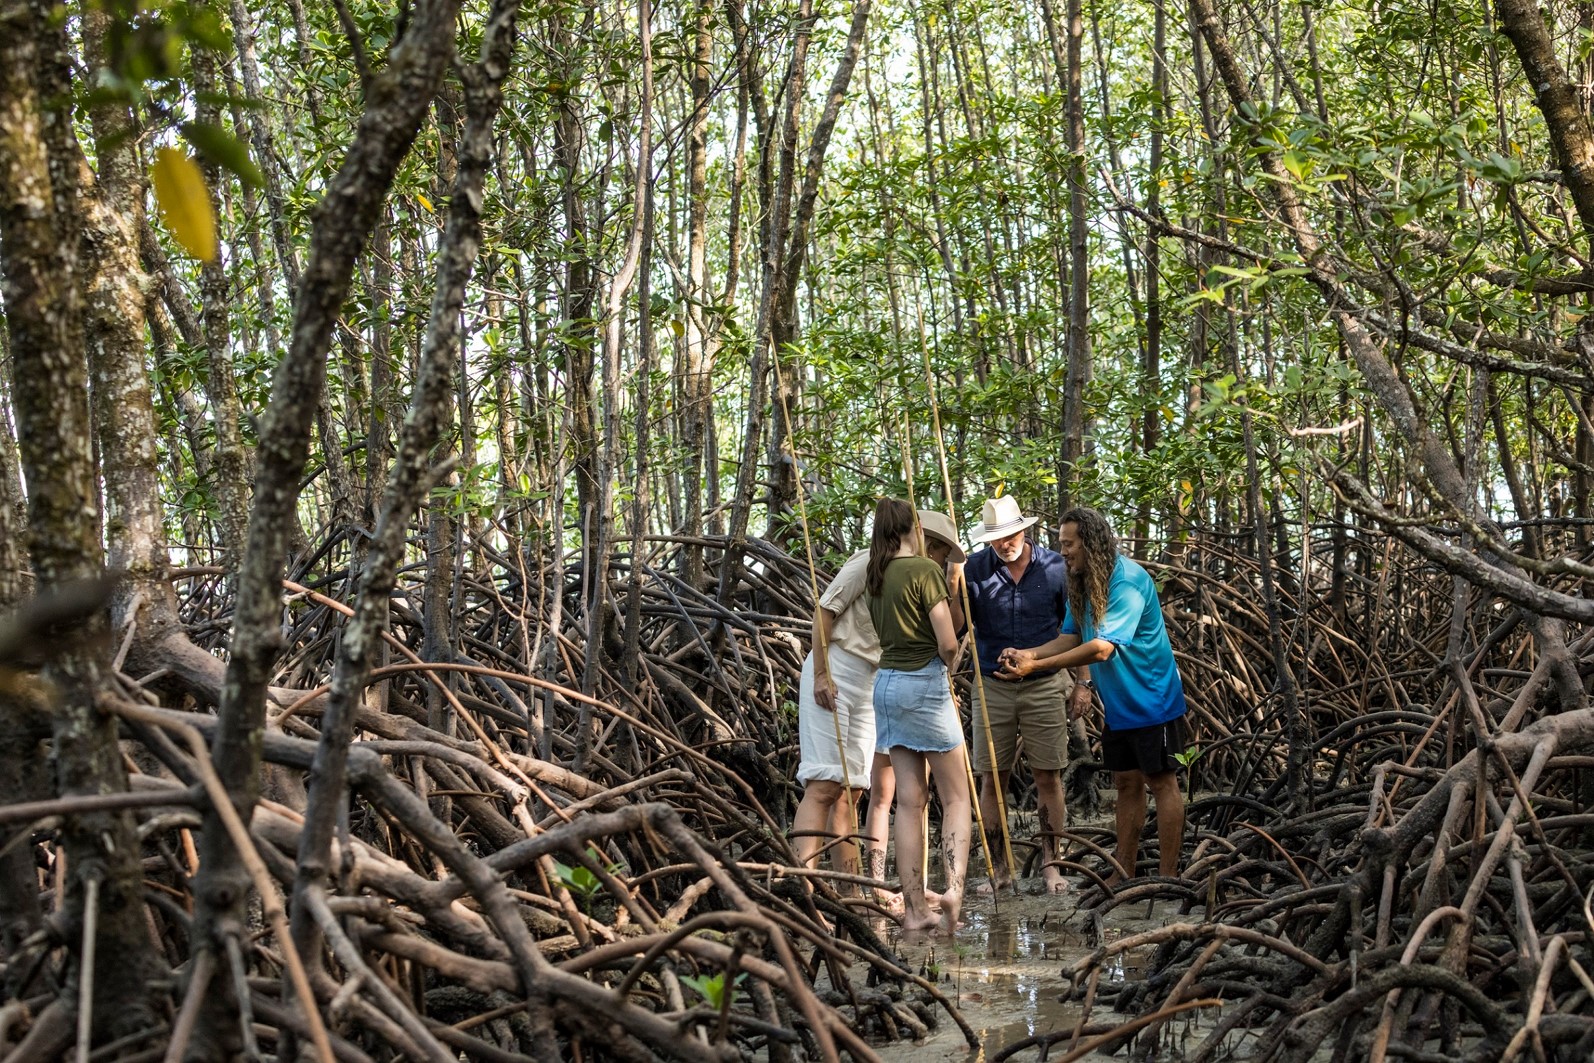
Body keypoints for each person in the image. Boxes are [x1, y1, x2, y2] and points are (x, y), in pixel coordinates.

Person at [997, 507, 1188, 885]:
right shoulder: (1083, 582)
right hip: (1119, 708)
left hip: (1153, 700)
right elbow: (1072, 636)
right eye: (1062, 544)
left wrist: (1034, 669)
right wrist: (1029, 654)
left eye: (1069, 544)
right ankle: (1123, 874)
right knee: (1126, 784)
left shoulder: (1127, 583)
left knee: (1162, 783)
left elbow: (1101, 648)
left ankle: (1168, 878)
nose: (1063, 551)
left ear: (1092, 543)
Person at [792, 508, 965, 912]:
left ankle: (852, 892)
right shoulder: (869, 562)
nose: (939, 559)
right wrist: (821, 675)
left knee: (851, 791)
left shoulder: (919, 574)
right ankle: (802, 892)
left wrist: (955, 579)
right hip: (835, 667)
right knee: (822, 785)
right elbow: (825, 611)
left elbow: (951, 629)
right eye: (939, 551)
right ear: (922, 537)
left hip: (875, 678)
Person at [961, 496, 1082, 893]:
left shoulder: (1055, 566)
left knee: (1049, 775)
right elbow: (959, 626)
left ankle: (1052, 866)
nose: (1003, 544)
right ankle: (1000, 871)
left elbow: (1078, 628)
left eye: (1008, 535)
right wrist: (952, 581)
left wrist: (1083, 684)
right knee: (992, 781)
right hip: (992, 686)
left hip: (1045, 684)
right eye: (994, 539)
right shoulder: (974, 568)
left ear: (1023, 530)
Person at [867, 498, 972, 934]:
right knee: (956, 797)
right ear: (914, 529)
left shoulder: (877, 574)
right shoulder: (924, 571)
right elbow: (947, 643)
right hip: (923, 684)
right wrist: (956, 658)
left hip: (886, 685)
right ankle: (953, 893)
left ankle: (914, 911)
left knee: (909, 802)